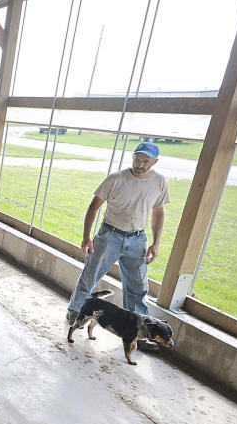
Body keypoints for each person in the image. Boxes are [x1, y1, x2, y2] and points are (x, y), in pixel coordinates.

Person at [66, 141, 169, 339]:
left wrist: (156, 243)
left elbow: (158, 214)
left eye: (145, 161)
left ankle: (141, 328)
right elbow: (93, 207)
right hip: (110, 235)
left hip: (138, 239)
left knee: (138, 286)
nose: (139, 164)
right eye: (137, 159)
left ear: (155, 161)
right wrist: (87, 237)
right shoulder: (116, 179)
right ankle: (75, 312)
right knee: (90, 275)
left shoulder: (159, 182)